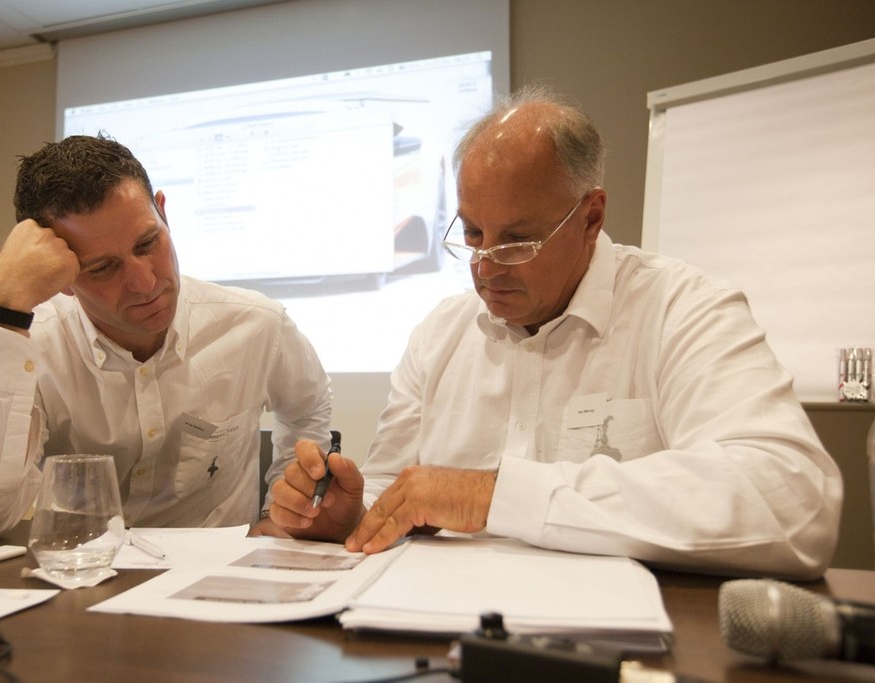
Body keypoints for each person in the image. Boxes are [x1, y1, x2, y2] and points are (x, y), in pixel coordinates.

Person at [269, 85, 843, 580]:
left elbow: (792, 501)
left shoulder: (683, 311)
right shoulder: (438, 335)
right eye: (471, 234)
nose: (486, 266)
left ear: (591, 218)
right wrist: (351, 512)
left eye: (517, 240)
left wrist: (494, 495)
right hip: (439, 633)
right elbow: (393, 484)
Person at [0, 134, 332, 542]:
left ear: (165, 215)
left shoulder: (256, 324)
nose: (144, 282)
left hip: (217, 579)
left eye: (147, 243)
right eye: (103, 268)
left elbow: (307, 407)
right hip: (83, 579)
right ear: (62, 275)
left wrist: (280, 508)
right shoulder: (34, 348)